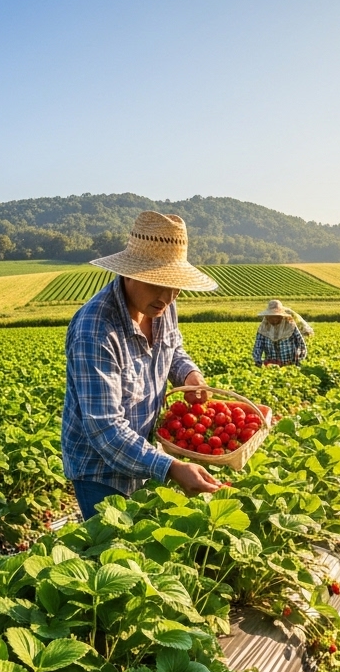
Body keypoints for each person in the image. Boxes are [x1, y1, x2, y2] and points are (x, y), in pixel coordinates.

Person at [62, 211, 223, 519]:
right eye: (157, 284)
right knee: (114, 554)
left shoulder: (163, 305)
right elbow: (106, 430)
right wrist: (171, 467)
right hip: (100, 471)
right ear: (129, 273)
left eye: (174, 286)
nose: (167, 296)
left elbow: (173, 348)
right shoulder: (95, 330)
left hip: (144, 454)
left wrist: (188, 373)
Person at [252, 299, 313, 366]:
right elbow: (258, 346)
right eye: (271, 317)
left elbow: (301, 344)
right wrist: (257, 360)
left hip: (290, 365)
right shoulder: (263, 328)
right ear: (267, 317)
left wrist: (298, 359)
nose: (274, 320)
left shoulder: (290, 325)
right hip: (271, 366)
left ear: (282, 316)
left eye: (277, 317)